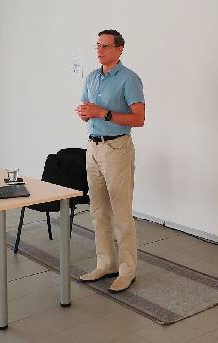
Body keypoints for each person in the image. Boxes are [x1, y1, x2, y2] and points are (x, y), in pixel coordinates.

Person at [75, 29, 145, 293]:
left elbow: (138, 118)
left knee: (121, 215)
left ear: (119, 49)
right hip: (93, 148)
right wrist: (85, 113)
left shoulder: (129, 79)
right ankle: (106, 264)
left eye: (105, 46)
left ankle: (128, 271)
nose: (100, 50)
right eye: (98, 45)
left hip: (117, 148)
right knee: (98, 212)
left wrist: (102, 113)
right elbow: (86, 109)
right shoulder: (92, 77)